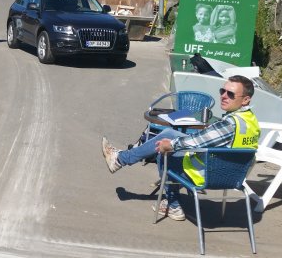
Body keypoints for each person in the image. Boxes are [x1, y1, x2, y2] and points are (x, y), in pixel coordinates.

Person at [101, 75, 260, 221]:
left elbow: (198, 141)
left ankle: (174, 205)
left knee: (164, 151)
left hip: (207, 175)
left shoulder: (229, 124)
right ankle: (121, 159)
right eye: (222, 91)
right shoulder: (250, 121)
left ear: (245, 100)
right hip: (232, 176)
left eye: (230, 94)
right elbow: (212, 140)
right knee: (169, 134)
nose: (224, 96)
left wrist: (170, 145)